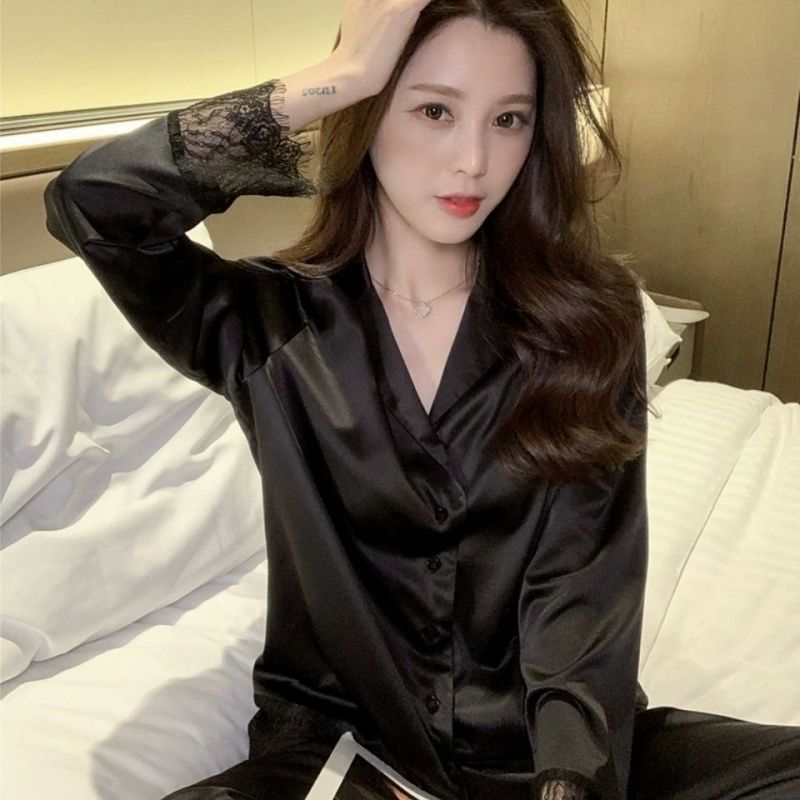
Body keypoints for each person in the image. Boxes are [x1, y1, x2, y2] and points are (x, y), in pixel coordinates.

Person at [44, 1, 800, 799]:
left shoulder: (588, 319)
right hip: (349, 751)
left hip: (547, 746)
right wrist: (336, 80)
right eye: (435, 110)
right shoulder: (265, 324)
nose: (473, 161)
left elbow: (581, 583)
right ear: (368, 115)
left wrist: (568, 781)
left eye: (508, 120)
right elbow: (90, 204)